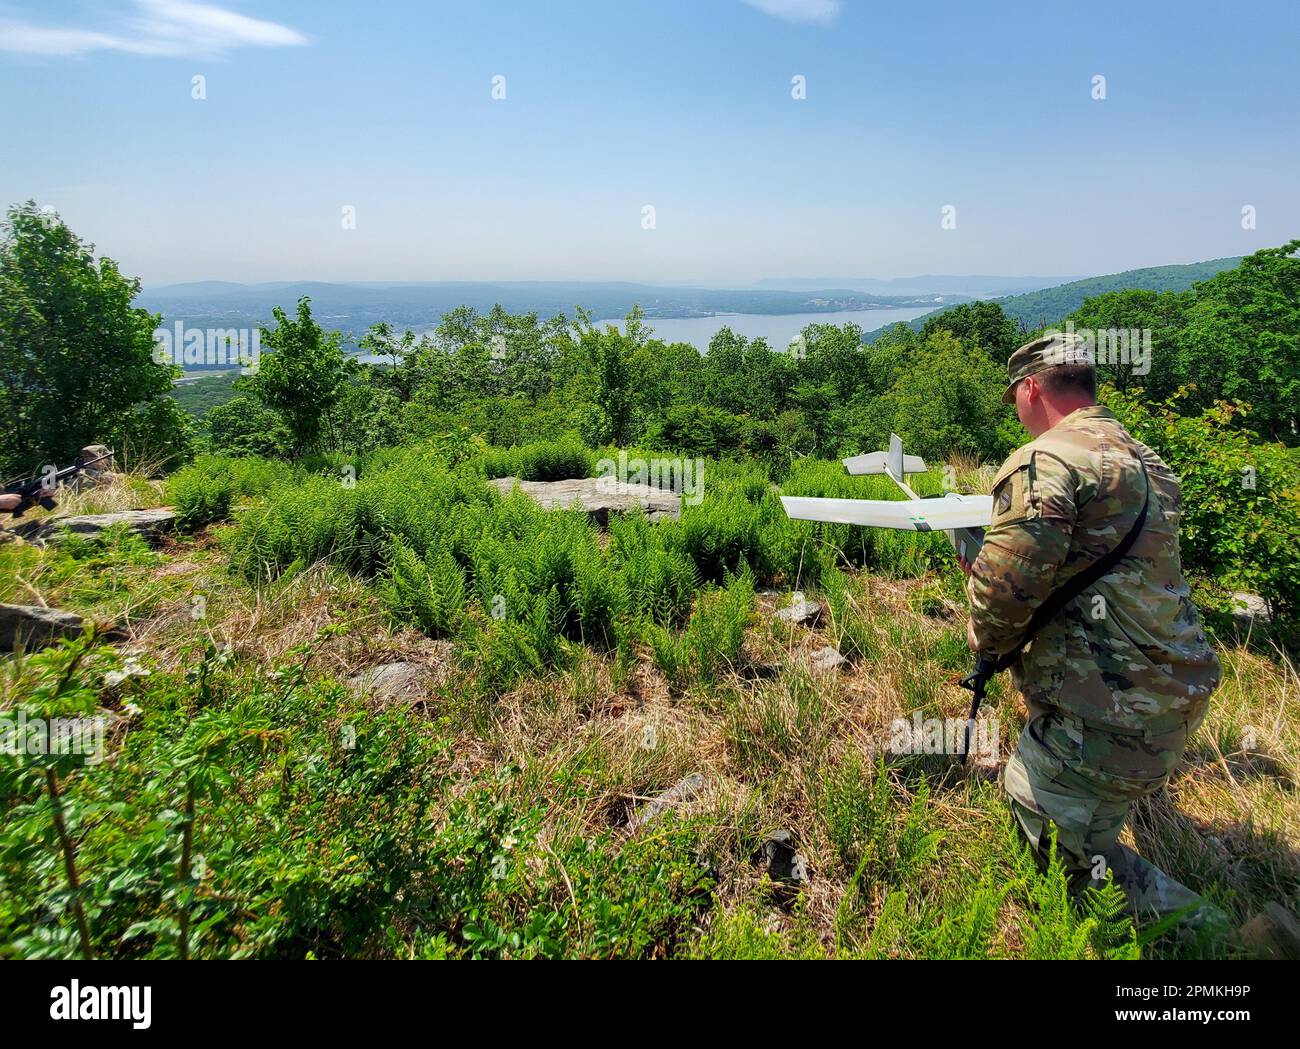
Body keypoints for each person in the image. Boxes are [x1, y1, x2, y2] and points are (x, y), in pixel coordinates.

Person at [964, 332, 1224, 925]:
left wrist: (985, 636)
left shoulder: (1045, 460)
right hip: (1172, 694)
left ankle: (1223, 939)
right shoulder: (1144, 459)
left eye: (1015, 398)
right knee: (1094, 811)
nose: (1019, 413)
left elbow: (1004, 596)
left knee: (1059, 846)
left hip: (1108, 707)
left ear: (1031, 388)